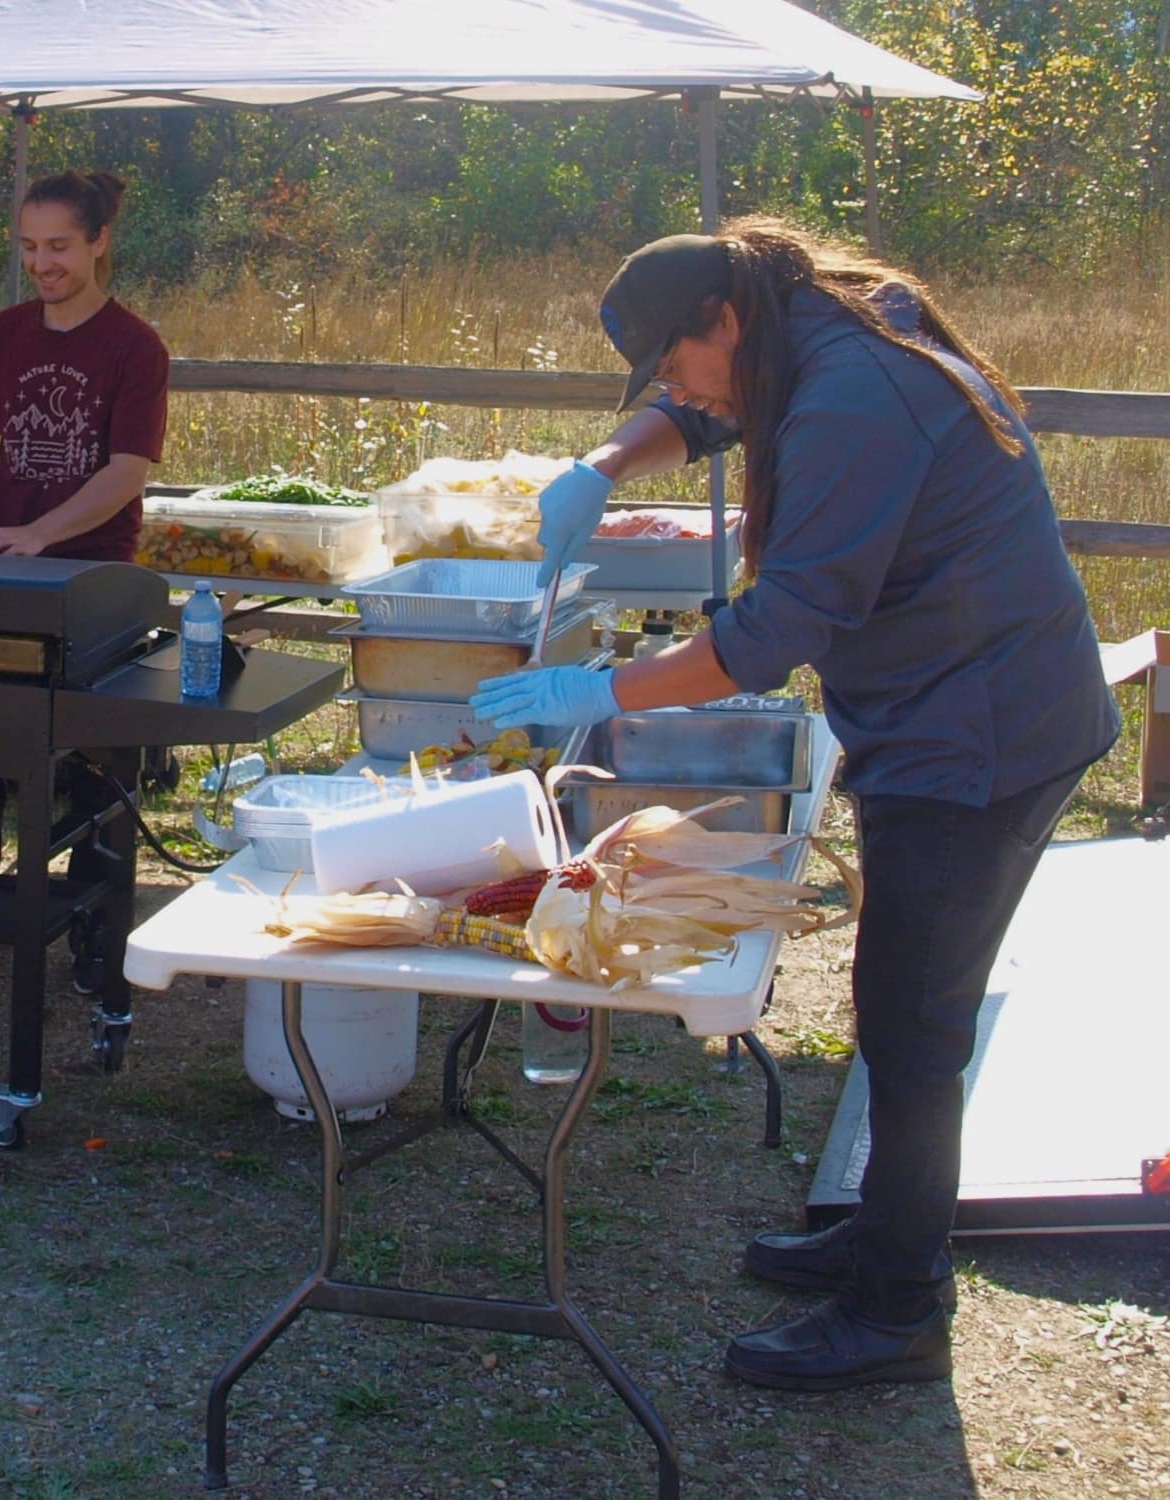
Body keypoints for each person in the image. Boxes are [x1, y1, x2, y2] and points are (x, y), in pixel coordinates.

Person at [474, 219, 1117, 1391]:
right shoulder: (813, 324)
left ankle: (896, 1313)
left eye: (671, 363)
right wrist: (606, 463)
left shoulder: (846, 398)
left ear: (720, 320)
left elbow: (772, 635)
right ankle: (883, 1237)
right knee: (899, 1010)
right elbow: (711, 408)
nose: (673, 393)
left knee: (912, 1026)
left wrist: (601, 686)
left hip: (976, 734)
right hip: (964, 708)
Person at [0, 170, 170, 979]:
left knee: (91, 763)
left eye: (57, 245)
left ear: (98, 242)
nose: (42, 262)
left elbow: (129, 469)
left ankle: (93, 929)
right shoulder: (1, 336)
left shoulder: (134, 346)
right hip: (1, 571)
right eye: (28, 247)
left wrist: (42, 533)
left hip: (94, 576)